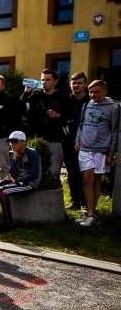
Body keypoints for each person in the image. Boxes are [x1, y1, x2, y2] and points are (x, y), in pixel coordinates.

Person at [74, 80, 119, 227]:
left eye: (96, 92)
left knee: (96, 180)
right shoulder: (87, 104)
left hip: (101, 149)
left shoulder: (113, 108)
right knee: (87, 179)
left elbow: (114, 131)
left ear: (105, 92)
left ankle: (91, 213)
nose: (93, 95)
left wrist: (111, 153)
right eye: (90, 92)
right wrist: (78, 139)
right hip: (85, 147)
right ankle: (89, 213)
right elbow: (81, 124)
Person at [0, 131, 41, 232]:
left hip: (29, 183)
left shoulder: (32, 154)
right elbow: (12, 174)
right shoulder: (13, 155)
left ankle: (8, 224)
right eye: (11, 142)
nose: (13, 144)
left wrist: (18, 180)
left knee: (2, 191)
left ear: (24, 142)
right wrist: (14, 159)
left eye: (15, 142)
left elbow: (34, 174)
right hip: (17, 180)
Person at [20, 69, 72, 176]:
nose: (44, 82)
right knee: (33, 171)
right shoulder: (35, 96)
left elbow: (70, 117)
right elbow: (20, 110)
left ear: (55, 81)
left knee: (53, 172)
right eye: (43, 80)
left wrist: (59, 116)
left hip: (55, 139)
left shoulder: (62, 97)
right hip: (36, 138)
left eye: (48, 80)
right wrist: (26, 93)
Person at [64, 72, 90, 210]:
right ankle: (75, 201)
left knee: (85, 174)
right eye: (74, 83)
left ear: (85, 84)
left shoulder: (91, 101)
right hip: (69, 142)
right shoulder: (65, 101)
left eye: (79, 83)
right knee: (72, 173)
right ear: (70, 84)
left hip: (87, 143)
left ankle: (86, 203)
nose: (76, 85)